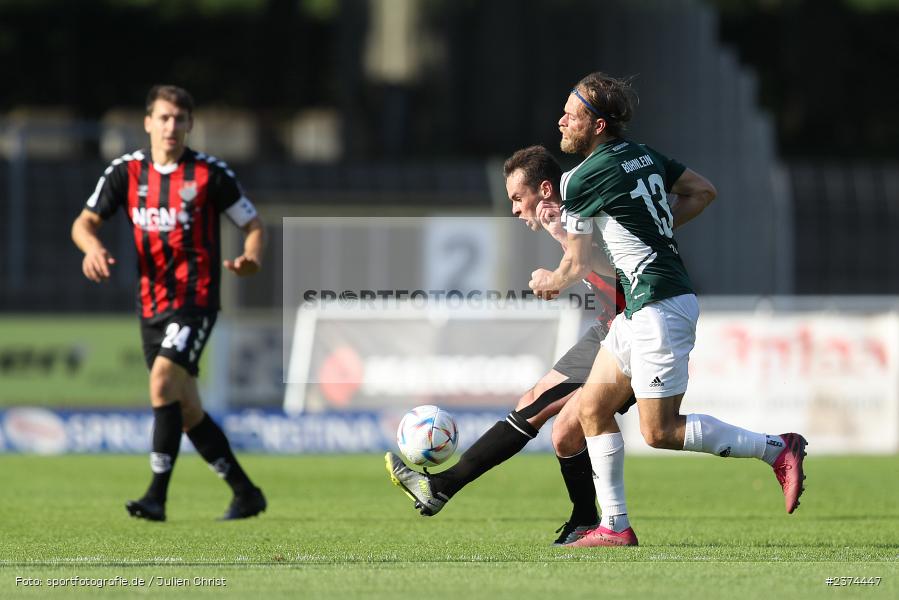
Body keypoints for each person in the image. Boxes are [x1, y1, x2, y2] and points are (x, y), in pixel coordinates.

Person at [529, 72, 807, 547]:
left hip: (657, 306)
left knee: (660, 431)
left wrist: (548, 281)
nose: (562, 121)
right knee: (592, 410)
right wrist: (655, 228)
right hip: (643, 307)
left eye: (572, 115)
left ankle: (777, 449)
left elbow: (574, 263)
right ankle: (615, 526)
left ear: (598, 126)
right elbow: (703, 191)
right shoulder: (646, 155)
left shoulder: (580, 178)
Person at [386, 145, 636, 545]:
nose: (515, 210)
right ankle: (586, 520)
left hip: (637, 330)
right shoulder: (567, 218)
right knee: (562, 431)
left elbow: (619, 266)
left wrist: (559, 273)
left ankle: (443, 485)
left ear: (545, 190)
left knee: (542, 407)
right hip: (611, 326)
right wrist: (562, 270)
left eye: (518, 198)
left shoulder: (580, 212)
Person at [71, 85, 267, 522]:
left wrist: (252, 256)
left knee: (162, 382)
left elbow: (252, 224)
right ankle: (246, 493)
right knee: (187, 409)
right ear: (148, 123)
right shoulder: (126, 172)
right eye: (163, 118)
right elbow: (83, 223)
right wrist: (92, 247)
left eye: (179, 119)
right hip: (151, 306)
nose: (171, 126)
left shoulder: (209, 174)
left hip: (195, 300)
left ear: (190, 124)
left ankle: (156, 496)